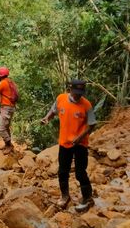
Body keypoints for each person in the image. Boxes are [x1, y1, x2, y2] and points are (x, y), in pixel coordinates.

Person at [41, 79, 96, 212]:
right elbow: (53, 110)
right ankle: (65, 196)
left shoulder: (86, 105)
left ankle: (88, 197)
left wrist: (80, 137)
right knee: (63, 171)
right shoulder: (61, 98)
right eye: (76, 92)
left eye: (80, 93)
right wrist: (47, 118)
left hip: (80, 144)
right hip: (64, 142)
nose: (78, 95)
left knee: (80, 172)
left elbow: (92, 125)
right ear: (70, 89)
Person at [0, 66, 19, 151]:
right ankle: (8, 145)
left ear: (0, 75)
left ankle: (9, 145)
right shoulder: (11, 82)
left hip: (6, 108)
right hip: (11, 107)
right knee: (6, 127)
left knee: (1, 129)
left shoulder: (3, 83)